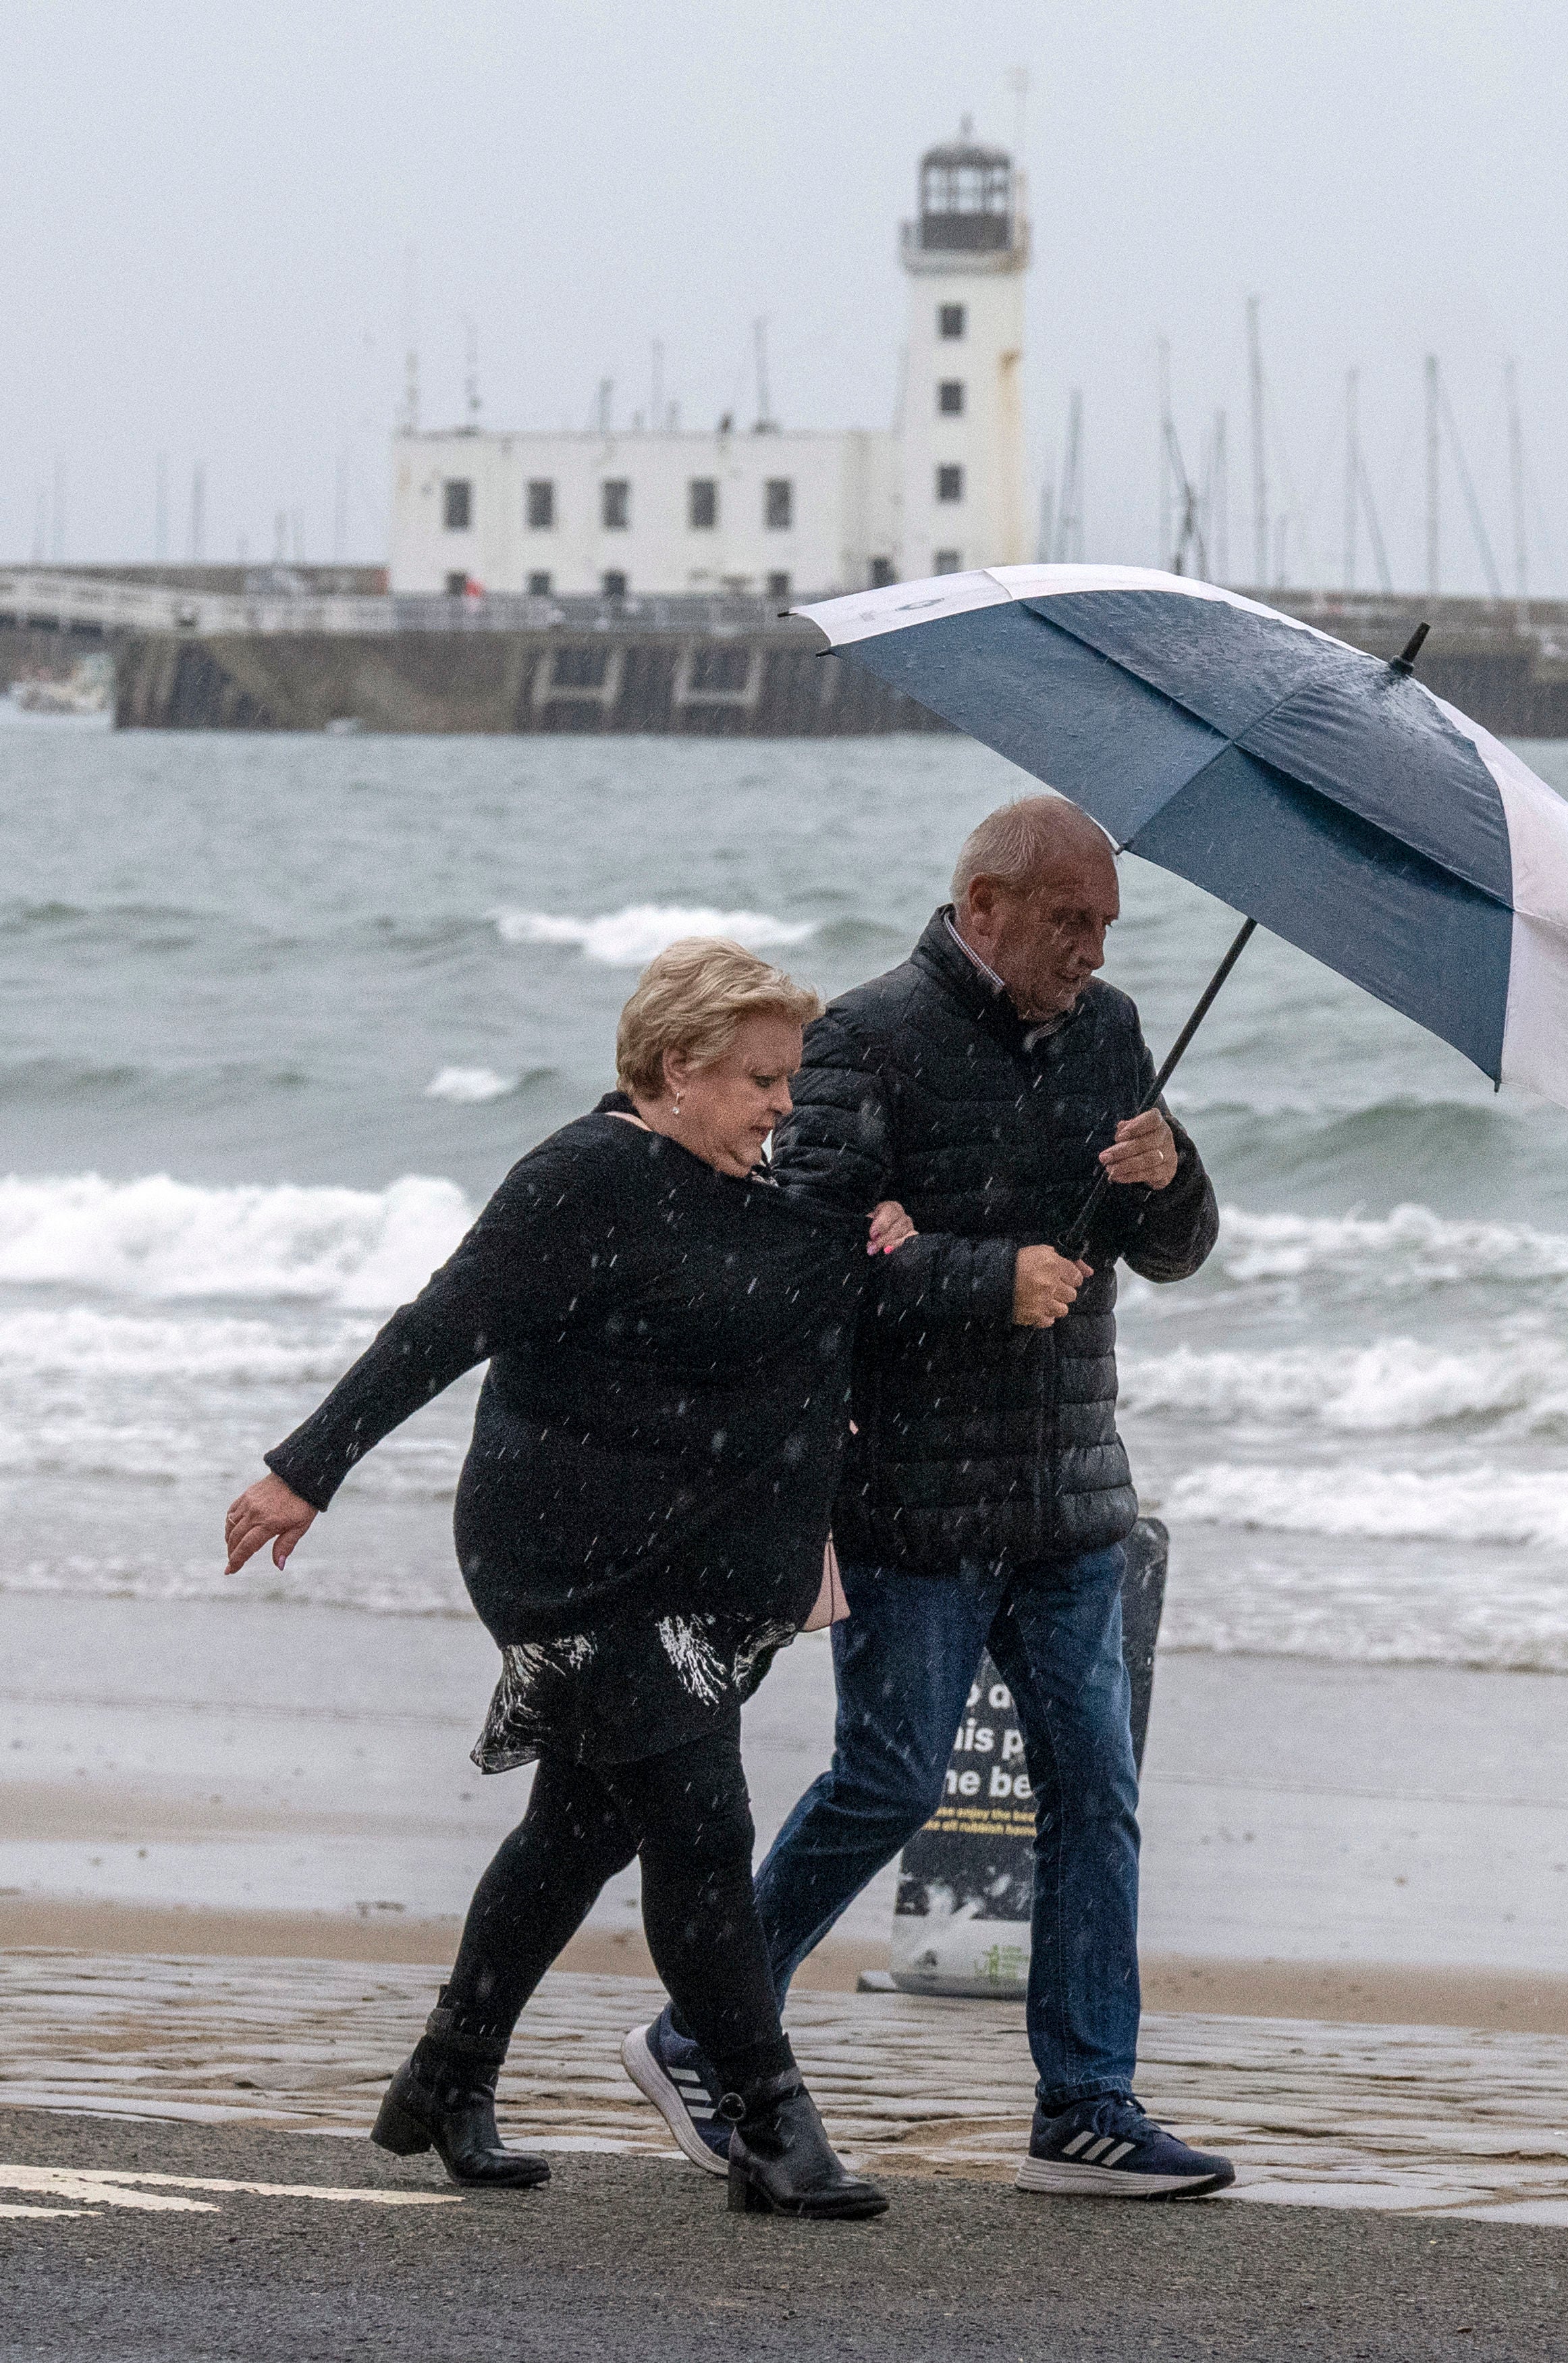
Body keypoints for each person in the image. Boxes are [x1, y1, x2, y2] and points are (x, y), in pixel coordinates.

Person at [223, 938, 931, 2222]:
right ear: (676, 1068)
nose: (784, 1106)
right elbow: (442, 1326)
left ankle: (446, 2073)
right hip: (567, 1556)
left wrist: (887, 1244)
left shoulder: (743, 1186)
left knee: (581, 1827)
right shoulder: (582, 1175)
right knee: (703, 1827)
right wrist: (305, 1470)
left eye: (791, 1081)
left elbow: (777, 1291)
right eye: (762, 1081)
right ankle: (768, 2124)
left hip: (681, 1559)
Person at [626, 797, 1237, 2200]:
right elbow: (801, 1261)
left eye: (1105, 928)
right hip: (913, 1502)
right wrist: (984, 1274)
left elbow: (1180, 1249)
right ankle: (701, 2034)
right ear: (985, 906)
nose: (1090, 951)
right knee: (888, 1780)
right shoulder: (865, 1037)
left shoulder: (1114, 1031)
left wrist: (1169, 1176)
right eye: (1068, 922)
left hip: (1074, 1495)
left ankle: (1085, 2103)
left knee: (1097, 1793)